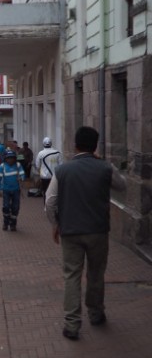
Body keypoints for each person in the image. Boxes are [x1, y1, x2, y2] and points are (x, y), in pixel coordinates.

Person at [45, 126, 126, 340]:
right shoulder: (105, 168)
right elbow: (122, 185)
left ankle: (72, 324)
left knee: (72, 275)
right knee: (96, 273)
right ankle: (96, 313)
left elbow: (50, 201)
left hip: (70, 231)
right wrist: (103, 163)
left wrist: (55, 224)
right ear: (95, 146)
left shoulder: (62, 171)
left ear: (75, 145)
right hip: (98, 230)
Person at [0, 149, 25, 231]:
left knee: (15, 207)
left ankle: (13, 223)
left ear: (15, 158)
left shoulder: (18, 165)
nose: (10, 160)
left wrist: (22, 177)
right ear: (5, 158)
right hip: (6, 190)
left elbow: (22, 174)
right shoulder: (2, 166)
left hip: (16, 190)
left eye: (12, 158)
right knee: (6, 206)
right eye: (8, 158)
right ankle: (5, 222)